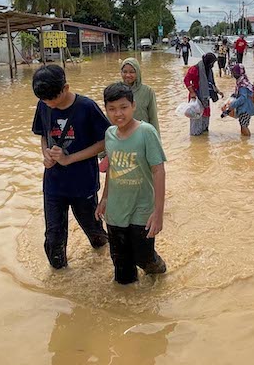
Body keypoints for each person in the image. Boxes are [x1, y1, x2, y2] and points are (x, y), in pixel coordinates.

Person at [31, 64, 110, 269]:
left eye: (52, 100)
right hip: (53, 184)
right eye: (44, 101)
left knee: (95, 232)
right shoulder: (43, 105)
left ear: (65, 88)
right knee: (53, 236)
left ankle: (104, 262)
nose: (49, 105)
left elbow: (105, 142)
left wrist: (69, 158)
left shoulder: (87, 107)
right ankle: (59, 281)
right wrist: (46, 153)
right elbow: (43, 135)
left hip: (82, 182)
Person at [96, 83, 168, 284]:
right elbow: (112, 168)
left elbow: (158, 170)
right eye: (112, 109)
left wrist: (158, 212)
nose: (118, 113)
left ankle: (160, 273)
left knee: (144, 258)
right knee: (121, 266)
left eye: (123, 107)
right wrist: (105, 198)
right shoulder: (109, 134)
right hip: (116, 210)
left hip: (142, 209)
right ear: (106, 109)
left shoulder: (146, 132)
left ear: (133, 106)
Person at [183, 53, 221, 136]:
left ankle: (204, 134)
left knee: (205, 116)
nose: (213, 66)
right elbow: (186, 80)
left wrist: (218, 91)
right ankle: (195, 137)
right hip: (196, 96)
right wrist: (192, 92)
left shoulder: (208, 70)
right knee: (196, 117)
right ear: (208, 62)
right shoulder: (194, 69)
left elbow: (210, 83)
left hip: (205, 97)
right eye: (212, 63)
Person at [119, 57, 160, 133]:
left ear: (137, 73)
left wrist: (157, 140)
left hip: (143, 136)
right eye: (124, 72)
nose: (128, 75)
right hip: (123, 136)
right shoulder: (117, 92)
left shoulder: (148, 91)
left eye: (132, 72)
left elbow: (153, 118)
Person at [224, 63, 254, 137]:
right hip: (246, 107)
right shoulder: (243, 81)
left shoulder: (242, 84)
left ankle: (247, 143)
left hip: (245, 108)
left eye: (234, 73)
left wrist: (231, 106)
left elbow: (242, 98)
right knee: (243, 125)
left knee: (244, 126)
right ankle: (244, 142)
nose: (233, 75)